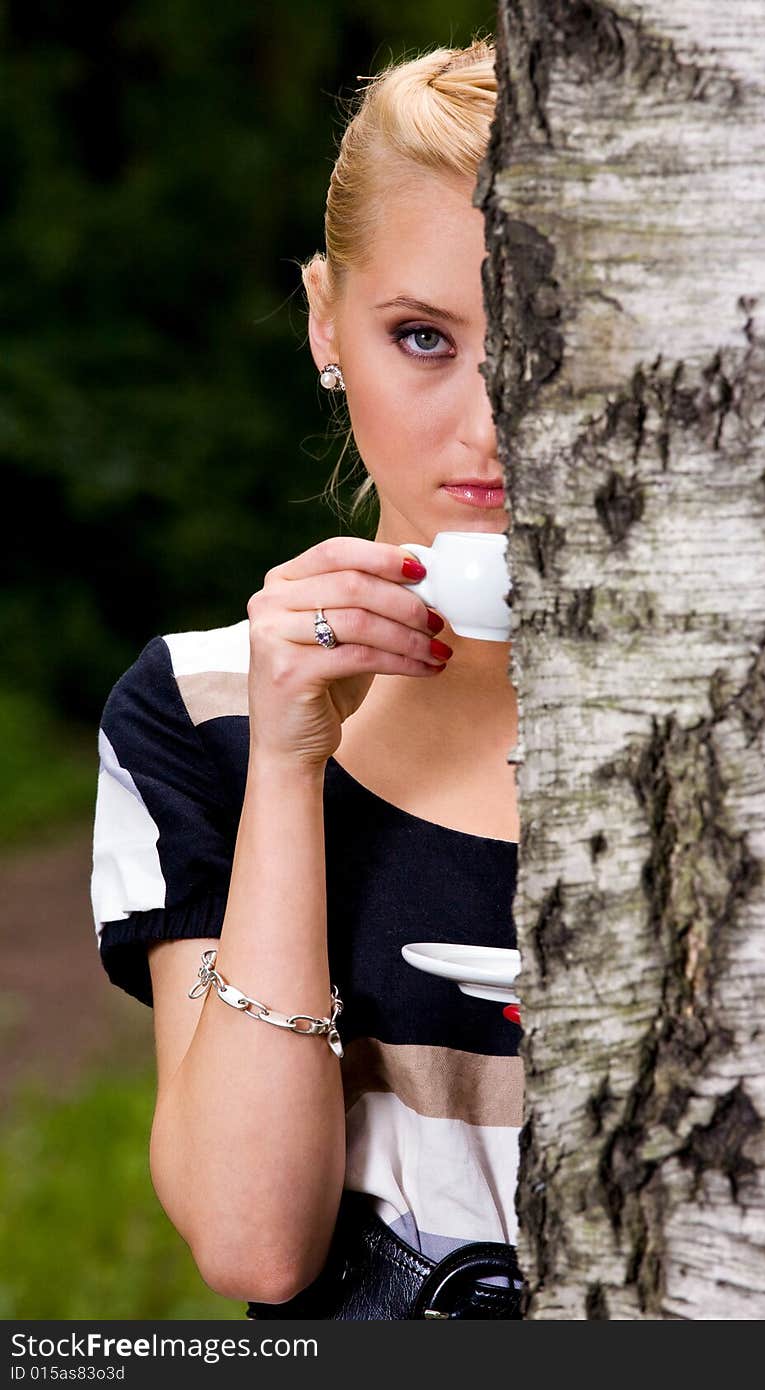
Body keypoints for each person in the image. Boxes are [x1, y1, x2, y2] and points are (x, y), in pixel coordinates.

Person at [89, 35, 524, 1321]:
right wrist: (287, 767)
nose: (490, 425)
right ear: (326, 320)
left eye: (552, 340)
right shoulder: (200, 710)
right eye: (423, 337)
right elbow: (252, 1245)